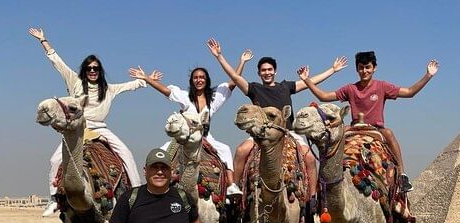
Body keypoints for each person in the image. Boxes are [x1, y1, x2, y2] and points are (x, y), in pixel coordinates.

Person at [207, 38, 348, 198]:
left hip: (288, 133)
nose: (267, 72)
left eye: (270, 69)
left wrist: (332, 70)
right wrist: (219, 56)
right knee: (241, 151)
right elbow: (234, 76)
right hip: (262, 134)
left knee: (309, 158)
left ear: (275, 71)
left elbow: (310, 82)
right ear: (259, 73)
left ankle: (312, 198)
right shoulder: (254, 89)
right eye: (263, 70)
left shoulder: (285, 87)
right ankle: (235, 191)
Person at [29, 27, 145, 216]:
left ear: (100, 71)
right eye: (89, 68)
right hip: (79, 128)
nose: (92, 71)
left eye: (96, 68)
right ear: (85, 70)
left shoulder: (109, 89)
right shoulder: (74, 81)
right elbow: (57, 62)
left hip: (100, 128)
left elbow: (131, 85)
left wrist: (145, 79)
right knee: (55, 160)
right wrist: (43, 40)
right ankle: (54, 199)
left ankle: (136, 197)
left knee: (126, 154)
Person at [298, 51, 439, 193]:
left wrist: (428, 75)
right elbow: (323, 96)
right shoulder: (350, 89)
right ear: (357, 69)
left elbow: (409, 92)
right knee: (334, 135)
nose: (364, 71)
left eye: (367, 67)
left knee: (389, 133)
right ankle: (324, 178)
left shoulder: (382, 86)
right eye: (361, 68)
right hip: (355, 128)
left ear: (374, 68)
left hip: (376, 129)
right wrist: (306, 80)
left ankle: (402, 175)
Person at [128, 48, 254, 196]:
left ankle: (231, 185)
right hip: (185, 138)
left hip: (205, 137)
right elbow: (166, 91)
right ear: (192, 80)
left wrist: (242, 62)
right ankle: (150, 188)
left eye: (202, 77)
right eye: (196, 77)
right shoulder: (185, 97)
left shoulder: (214, 98)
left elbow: (233, 81)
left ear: (206, 80)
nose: (199, 80)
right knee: (161, 153)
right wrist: (146, 78)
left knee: (225, 150)